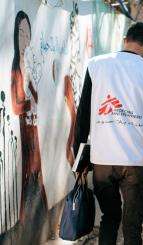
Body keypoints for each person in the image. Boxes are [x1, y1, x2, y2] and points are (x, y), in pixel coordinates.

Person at [74, 22, 143, 245]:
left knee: (109, 218)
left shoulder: (96, 65)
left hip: (102, 161)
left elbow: (83, 117)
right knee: (132, 225)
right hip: (136, 162)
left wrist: (78, 159)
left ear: (125, 40)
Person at [11, 10, 48, 225]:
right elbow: (16, 107)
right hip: (24, 129)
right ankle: (24, 220)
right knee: (27, 174)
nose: (24, 38)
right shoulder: (16, 68)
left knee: (38, 172)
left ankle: (40, 216)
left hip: (35, 127)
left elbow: (37, 96)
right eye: (20, 34)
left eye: (27, 34)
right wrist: (27, 103)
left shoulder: (29, 66)